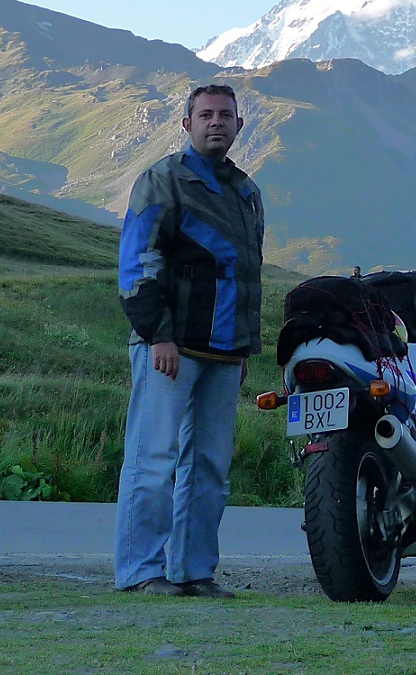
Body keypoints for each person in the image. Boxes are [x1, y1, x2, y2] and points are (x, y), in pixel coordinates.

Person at [114, 84, 265, 598]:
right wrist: (156, 335)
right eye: (205, 114)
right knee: (153, 460)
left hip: (224, 354)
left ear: (239, 125)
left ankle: (194, 571)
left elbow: (245, 275)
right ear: (186, 124)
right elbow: (138, 262)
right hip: (169, 349)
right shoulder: (163, 180)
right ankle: (140, 572)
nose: (216, 122)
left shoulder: (247, 192)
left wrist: (243, 348)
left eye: (225, 115)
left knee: (209, 470)